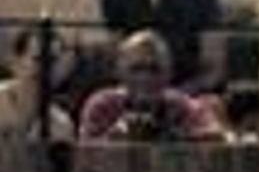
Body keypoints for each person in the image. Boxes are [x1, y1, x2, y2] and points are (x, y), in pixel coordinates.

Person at [100, 0, 227, 94]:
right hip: (128, 95)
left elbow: (213, 69)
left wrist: (177, 96)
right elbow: (112, 61)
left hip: (189, 94)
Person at [79, 28, 223, 140]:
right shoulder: (102, 105)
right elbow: (83, 154)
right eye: (136, 69)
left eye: (155, 69)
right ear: (120, 72)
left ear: (169, 73)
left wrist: (174, 138)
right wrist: (113, 137)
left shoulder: (180, 105)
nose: (145, 78)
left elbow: (216, 135)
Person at [0, 25, 75, 140]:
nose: (45, 69)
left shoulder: (62, 126)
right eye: (37, 59)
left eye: (52, 61)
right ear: (16, 62)